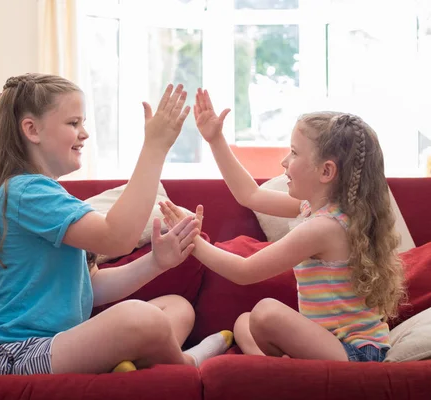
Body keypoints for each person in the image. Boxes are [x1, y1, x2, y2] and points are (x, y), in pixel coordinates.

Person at [0, 74, 233, 375]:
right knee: (139, 318)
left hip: (59, 345)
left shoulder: (47, 195)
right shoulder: (24, 192)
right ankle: (188, 363)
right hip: (14, 356)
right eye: (73, 123)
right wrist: (155, 147)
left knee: (177, 307)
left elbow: (90, 287)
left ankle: (128, 364)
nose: (84, 134)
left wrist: (156, 262)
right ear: (32, 130)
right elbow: (117, 238)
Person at [159, 88, 405, 362]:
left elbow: (244, 271)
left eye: (294, 153)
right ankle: (279, 366)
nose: (284, 161)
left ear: (326, 171)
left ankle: (278, 367)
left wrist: (192, 241)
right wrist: (216, 140)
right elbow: (249, 195)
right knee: (244, 322)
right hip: (330, 343)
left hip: (355, 354)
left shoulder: (324, 227)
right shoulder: (315, 210)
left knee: (266, 313)